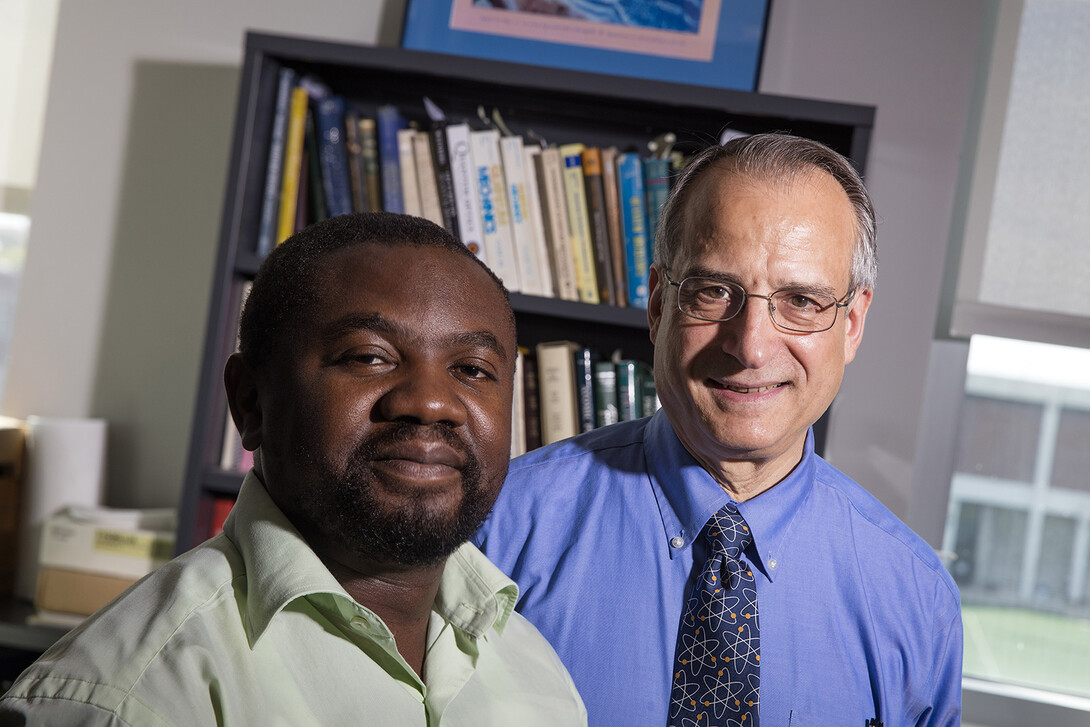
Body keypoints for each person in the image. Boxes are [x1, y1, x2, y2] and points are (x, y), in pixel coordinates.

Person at [0, 213, 586, 726]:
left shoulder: (539, 677)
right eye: (370, 357)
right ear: (251, 402)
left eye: (475, 369)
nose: (432, 402)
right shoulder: (130, 699)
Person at [476, 134, 962, 726]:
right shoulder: (495, 529)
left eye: (802, 300)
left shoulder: (916, 598)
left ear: (852, 324)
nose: (751, 346)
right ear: (658, 305)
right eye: (713, 292)